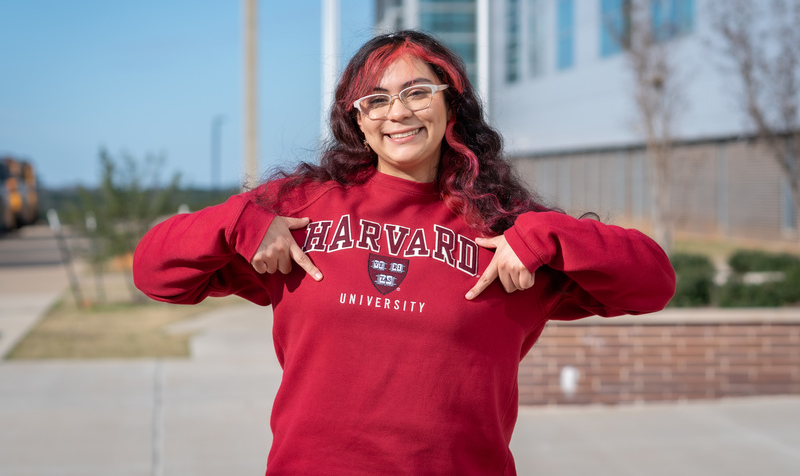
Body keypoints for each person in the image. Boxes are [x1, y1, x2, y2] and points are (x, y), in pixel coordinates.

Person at [133, 30, 675, 475]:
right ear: (358, 121)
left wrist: (550, 236)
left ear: (450, 104)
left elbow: (653, 284)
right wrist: (238, 223)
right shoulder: (300, 212)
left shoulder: (507, 233)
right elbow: (155, 273)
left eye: (418, 91)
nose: (398, 112)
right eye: (376, 99)